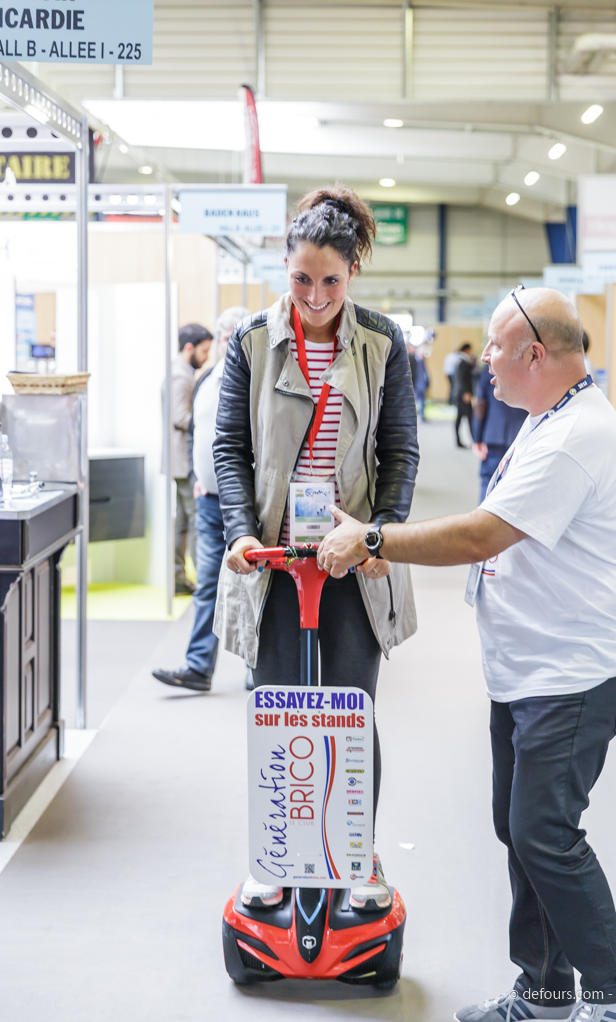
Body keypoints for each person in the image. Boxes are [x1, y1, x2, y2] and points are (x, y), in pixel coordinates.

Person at [317, 285, 616, 1022]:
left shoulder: (574, 435)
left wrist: (372, 537)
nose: (484, 360)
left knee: (543, 832)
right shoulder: (546, 418)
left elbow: (480, 533)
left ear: (535, 352)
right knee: (520, 829)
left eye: (496, 347)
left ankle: (612, 986)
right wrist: (387, 549)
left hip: (576, 673)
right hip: (533, 668)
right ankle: (542, 992)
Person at [213, 184, 419, 912]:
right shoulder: (249, 341)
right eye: (301, 278)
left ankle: (354, 854)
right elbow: (229, 448)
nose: (315, 294)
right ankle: (277, 853)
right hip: (273, 564)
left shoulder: (383, 342)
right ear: (284, 263)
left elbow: (399, 451)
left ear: (353, 270)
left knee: (346, 711)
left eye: (331, 279)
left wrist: (381, 532)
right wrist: (240, 529)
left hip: (351, 560)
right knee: (275, 710)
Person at [152, 307, 250, 693]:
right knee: (207, 583)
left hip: (246, 505)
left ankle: (258, 671)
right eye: (229, 338)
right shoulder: (207, 377)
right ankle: (198, 667)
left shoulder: (259, 378)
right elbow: (196, 430)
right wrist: (195, 475)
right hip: (209, 502)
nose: (235, 345)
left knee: (253, 586)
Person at [163, 323, 213, 595]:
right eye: (204, 351)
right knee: (194, 523)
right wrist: (209, 418)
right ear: (189, 347)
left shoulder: (180, 373)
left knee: (183, 523)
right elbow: (180, 417)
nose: (206, 357)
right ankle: (199, 578)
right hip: (184, 462)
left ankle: (180, 576)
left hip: (179, 461)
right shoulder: (180, 376)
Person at [472, 362, 527, 504]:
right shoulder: (531, 363)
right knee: (518, 489)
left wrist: (477, 437)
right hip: (523, 434)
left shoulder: (490, 366)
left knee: (488, 483)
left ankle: (482, 525)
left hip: (494, 433)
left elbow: (481, 403)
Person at [453, 342, 476, 448]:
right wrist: (466, 392)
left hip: (461, 393)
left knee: (461, 417)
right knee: (468, 417)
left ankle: (460, 440)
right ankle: (474, 439)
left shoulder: (463, 361)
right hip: (463, 394)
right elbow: (462, 379)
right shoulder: (462, 362)